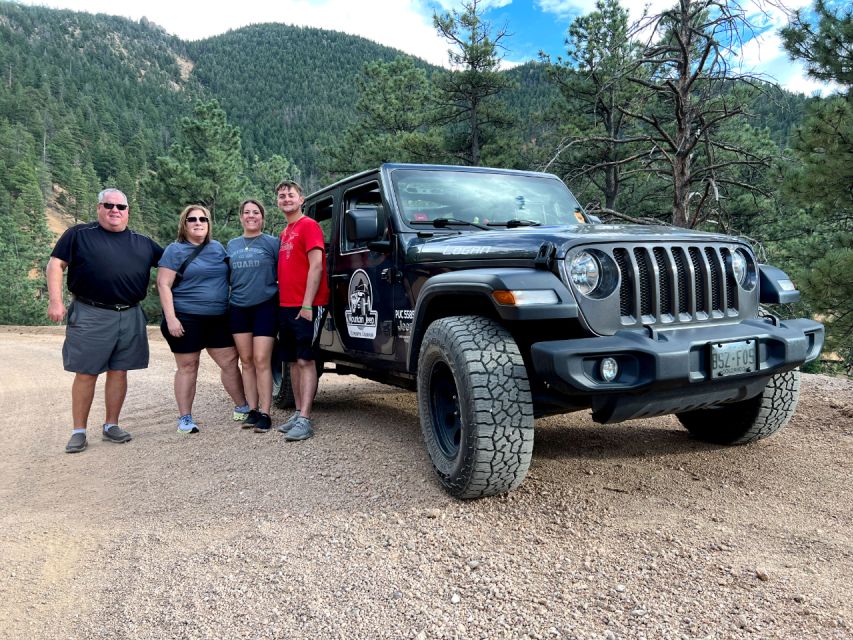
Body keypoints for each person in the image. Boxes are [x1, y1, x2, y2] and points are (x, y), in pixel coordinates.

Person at [47, 188, 163, 454]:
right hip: (91, 312)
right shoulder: (78, 235)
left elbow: (171, 264)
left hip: (131, 313)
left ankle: (111, 425)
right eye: (109, 205)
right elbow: (55, 264)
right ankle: (79, 431)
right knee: (87, 372)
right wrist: (55, 301)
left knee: (119, 370)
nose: (115, 211)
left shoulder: (143, 242)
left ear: (128, 212)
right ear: (99, 207)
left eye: (120, 207)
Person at [156, 205, 249, 434]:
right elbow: (163, 284)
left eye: (203, 219)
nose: (198, 223)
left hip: (218, 317)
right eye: (192, 219)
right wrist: (171, 319)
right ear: (184, 224)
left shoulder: (217, 248)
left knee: (229, 361)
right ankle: (185, 419)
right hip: (186, 317)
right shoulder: (175, 250)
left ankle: (242, 407)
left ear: (208, 224)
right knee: (189, 366)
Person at [274, 180, 329, 441]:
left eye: (290, 195)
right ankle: (297, 413)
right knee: (293, 361)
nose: (286, 199)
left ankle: (306, 419)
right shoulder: (286, 232)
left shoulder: (309, 226)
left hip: (308, 305)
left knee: (307, 360)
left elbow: (316, 266)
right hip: (286, 305)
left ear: (301, 199)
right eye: (282, 196)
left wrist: (307, 304)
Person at [226, 199, 280, 433]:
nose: (251, 216)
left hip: (266, 306)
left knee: (261, 360)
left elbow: (284, 272)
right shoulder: (231, 245)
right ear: (241, 217)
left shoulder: (272, 243)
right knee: (246, 361)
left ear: (262, 217)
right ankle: (253, 410)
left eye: (255, 212)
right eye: (246, 212)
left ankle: (266, 413)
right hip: (238, 307)